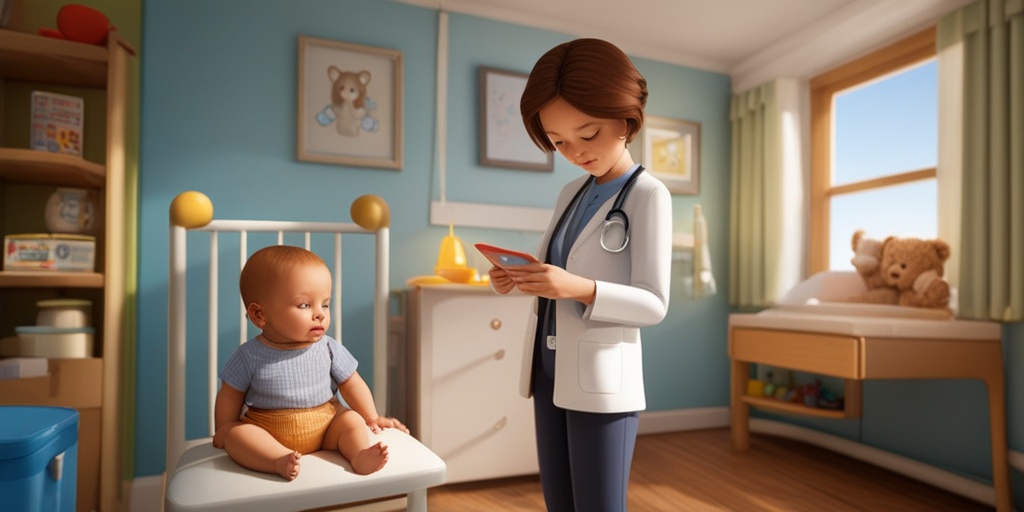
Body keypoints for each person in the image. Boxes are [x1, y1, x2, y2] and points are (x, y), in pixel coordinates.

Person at [489, 38, 672, 511]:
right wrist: (515, 279)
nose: (573, 152)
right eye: (557, 142)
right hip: (548, 369)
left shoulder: (649, 195)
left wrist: (578, 289)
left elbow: (653, 303)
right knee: (559, 501)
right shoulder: (571, 191)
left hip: (600, 375)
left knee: (598, 504)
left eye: (587, 134)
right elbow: (554, 267)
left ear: (626, 118)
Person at [212, 245, 408, 480]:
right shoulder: (248, 355)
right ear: (259, 315)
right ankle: (277, 459)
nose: (320, 314)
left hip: (326, 425)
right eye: (305, 305)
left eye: (325, 304)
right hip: (268, 430)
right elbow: (229, 394)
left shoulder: (328, 347)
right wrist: (224, 427)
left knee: (351, 419)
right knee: (238, 436)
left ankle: (358, 455)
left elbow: (352, 383)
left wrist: (371, 417)